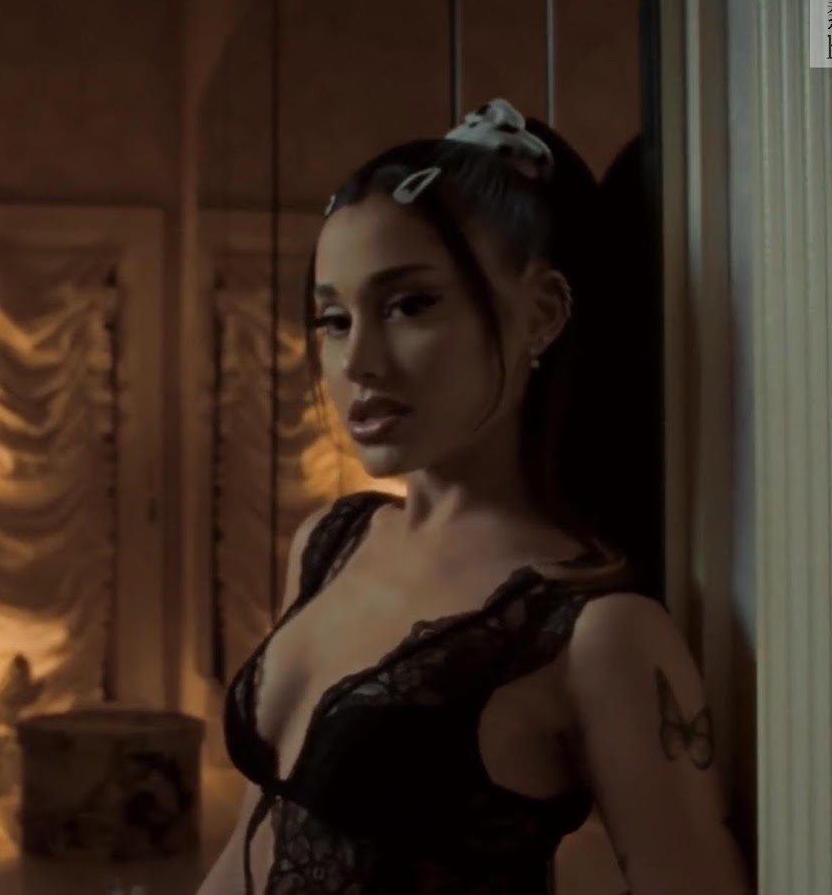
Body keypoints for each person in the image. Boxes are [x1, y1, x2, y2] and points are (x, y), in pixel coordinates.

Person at [197, 98, 751, 894]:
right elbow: (248, 848)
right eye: (334, 319)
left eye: (409, 304)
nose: (358, 361)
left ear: (543, 314)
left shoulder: (593, 631)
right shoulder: (329, 542)